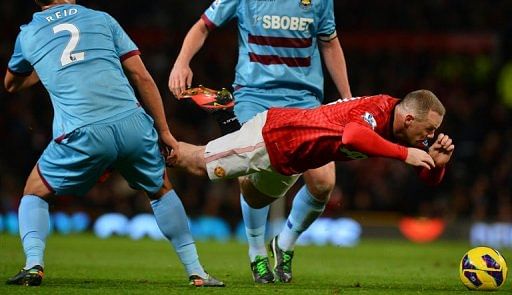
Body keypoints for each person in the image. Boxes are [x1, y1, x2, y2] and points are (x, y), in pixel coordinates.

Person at [4, 0, 224, 287]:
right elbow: (141, 76)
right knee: (161, 189)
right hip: (131, 122)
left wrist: (50, 64)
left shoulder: (29, 33)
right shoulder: (101, 18)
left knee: (34, 191)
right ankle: (197, 272)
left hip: (82, 130)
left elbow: (11, 84)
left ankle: (33, 265)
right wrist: (164, 132)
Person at [169, 0, 352, 283]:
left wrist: (347, 99)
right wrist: (182, 61)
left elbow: (329, 43)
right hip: (255, 97)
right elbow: (203, 25)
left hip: (304, 101)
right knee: (251, 177)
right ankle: (256, 252)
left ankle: (285, 243)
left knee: (324, 182)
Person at [169, 89, 454, 229]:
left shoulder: (405, 130)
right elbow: (353, 136)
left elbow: (426, 176)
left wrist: (436, 168)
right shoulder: (378, 109)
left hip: (295, 160)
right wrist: (405, 155)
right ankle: (149, 146)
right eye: (429, 128)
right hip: (275, 137)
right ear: (407, 119)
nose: (430, 135)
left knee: (255, 198)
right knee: (192, 161)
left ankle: (229, 119)